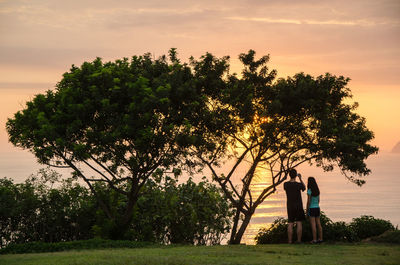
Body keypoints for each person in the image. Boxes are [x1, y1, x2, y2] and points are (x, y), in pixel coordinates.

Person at [284, 168, 305, 244]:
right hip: (298, 206)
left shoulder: (286, 184)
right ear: (296, 175)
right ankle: (299, 240)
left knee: (290, 223)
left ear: (289, 175)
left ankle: (290, 241)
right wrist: (300, 178)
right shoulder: (298, 185)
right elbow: (304, 188)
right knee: (299, 223)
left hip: (290, 206)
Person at [306, 177, 323, 244]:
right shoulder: (318, 190)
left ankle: (314, 240)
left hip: (312, 208)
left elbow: (308, 202)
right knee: (318, 224)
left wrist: (307, 210)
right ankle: (320, 239)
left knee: (313, 224)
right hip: (317, 208)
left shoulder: (309, 191)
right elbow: (318, 201)